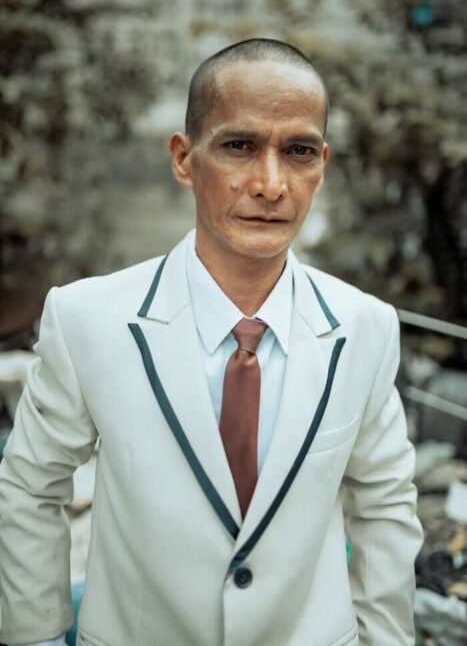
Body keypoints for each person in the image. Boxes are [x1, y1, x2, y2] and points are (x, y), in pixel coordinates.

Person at [0, 38, 423, 646]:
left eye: (298, 151)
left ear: (322, 164)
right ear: (183, 158)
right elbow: (31, 486)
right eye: (239, 146)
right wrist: (37, 637)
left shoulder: (366, 327)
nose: (271, 183)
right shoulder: (86, 318)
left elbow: (384, 505)